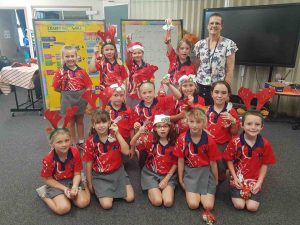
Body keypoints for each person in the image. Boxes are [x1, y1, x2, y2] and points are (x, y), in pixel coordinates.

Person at [36, 108, 90, 215]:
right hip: (57, 183)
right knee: (64, 209)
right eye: (59, 142)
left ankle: (83, 183)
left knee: (83, 203)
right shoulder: (48, 159)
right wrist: (65, 189)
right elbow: (47, 179)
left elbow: (77, 173)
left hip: (72, 179)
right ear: (52, 144)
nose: (64, 144)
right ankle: (44, 195)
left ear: (71, 140)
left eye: (66, 140)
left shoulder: (75, 152)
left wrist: (74, 186)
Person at [173, 108, 221, 224]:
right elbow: (180, 160)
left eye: (198, 122)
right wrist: (180, 178)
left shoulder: (209, 140)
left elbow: (213, 162)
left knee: (208, 206)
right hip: (190, 172)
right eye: (191, 121)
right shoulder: (182, 139)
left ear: (204, 123)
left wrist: (216, 179)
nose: (194, 125)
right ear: (187, 122)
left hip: (205, 171)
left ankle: (202, 192)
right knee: (193, 205)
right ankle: (195, 192)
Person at [223, 110, 276, 212]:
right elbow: (228, 160)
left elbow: (265, 164)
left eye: (257, 124)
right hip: (238, 178)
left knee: (252, 207)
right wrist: (234, 177)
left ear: (262, 127)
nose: (253, 127)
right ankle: (231, 184)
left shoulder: (265, 144)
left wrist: (259, 183)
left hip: (254, 180)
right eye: (249, 124)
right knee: (239, 205)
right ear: (242, 125)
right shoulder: (235, 142)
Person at [83, 110, 134, 209]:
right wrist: (90, 183)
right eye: (97, 123)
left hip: (118, 172)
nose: (101, 125)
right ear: (93, 125)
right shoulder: (90, 141)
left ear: (109, 123)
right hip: (100, 175)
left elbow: (126, 152)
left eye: (104, 122)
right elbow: (88, 162)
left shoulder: (115, 136)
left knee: (130, 198)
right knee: (107, 205)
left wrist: (118, 134)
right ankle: (88, 184)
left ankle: (110, 191)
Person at [131, 114, 178, 207]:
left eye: (165, 126)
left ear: (169, 128)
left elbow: (176, 162)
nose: (162, 129)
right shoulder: (149, 139)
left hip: (168, 174)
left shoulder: (175, 142)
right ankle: (151, 187)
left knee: (168, 202)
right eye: (159, 126)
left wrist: (166, 179)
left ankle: (162, 186)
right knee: (157, 201)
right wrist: (139, 133)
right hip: (151, 173)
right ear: (155, 128)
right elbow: (132, 143)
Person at [52, 45, 92, 148]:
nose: (70, 59)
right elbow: (55, 87)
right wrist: (66, 93)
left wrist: (87, 99)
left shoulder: (82, 71)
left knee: (80, 120)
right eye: (67, 56)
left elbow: (88, 86)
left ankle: (81, 141)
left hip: (81, 98)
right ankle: (73, 142)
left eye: (72, 56)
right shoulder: (60, 72)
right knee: (70, 122)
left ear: (76, 57)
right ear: (63, 58)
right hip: (67, 98)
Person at [194, 13, 238, 105]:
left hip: (218, 88)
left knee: (216, 115)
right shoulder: (199, 44)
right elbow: (196, 66)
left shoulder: (229, 44)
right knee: (200, 114)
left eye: (217, 23)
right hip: (200, 86)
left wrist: (226, 91)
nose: (214, 25)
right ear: (208, 26)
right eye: (211, 23)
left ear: (221, 26)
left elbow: (230, 70)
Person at [206, 80, 240, 181]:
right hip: (207, 143)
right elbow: (201, 127)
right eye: (216, 92)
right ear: (211, 94)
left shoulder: (231, 112)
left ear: (228, 95)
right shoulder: (206, 110)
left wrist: (233, 121)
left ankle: (222, 173)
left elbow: (234, 132)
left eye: (223, 93)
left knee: (220, 162)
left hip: (223, 145)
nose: (220, 96)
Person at [126, 35, 158, 107]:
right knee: (130, 111)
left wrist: (150, 92)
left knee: (142, 111)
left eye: (139, 53)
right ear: (132, 54)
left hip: (143, 94)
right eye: (134, 53)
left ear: (142, 53)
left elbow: (152, 80)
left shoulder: (148, 66)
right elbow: (128, 57)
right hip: (131, 93)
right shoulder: (130, 65)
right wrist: (129, 42)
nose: (137, 55)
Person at [164, 18, 195, 85]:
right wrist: (168, 29)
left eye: (187, 49)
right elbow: (168, 44)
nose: (184, 51)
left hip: (183, 89)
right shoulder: (173, 59)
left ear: (189, 51)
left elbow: (191, 82)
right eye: (182, 48)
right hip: (171, 87)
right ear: (178, 51)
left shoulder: (191, 66)